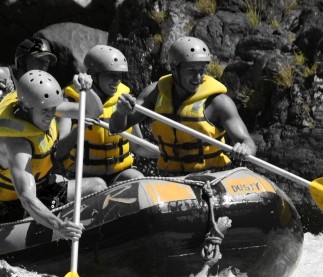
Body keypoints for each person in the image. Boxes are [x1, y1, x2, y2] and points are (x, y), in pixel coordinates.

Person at [0, 70, 107, 240]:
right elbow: (27, 198)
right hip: (5, 207)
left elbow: (94, 112)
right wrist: (59, 225)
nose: (51, 114)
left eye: (54, 108)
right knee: (44, 222)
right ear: (25, 107)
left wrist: (88, 90)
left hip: (40, 190)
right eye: (45, 110)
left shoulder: (41, 106)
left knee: (97, 186)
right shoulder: (16, 143)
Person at [109, 36, 257, 175]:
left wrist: (245, 148)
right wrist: (121, 112)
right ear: (174, 69)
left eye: (201, 71)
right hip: (169, 176)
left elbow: (248, 141)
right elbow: (116, 127)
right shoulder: (155, 93)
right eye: (191, 71)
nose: (198, 78)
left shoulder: (219, 102)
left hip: (211, 176)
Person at [63, 45, 159, 184]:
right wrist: (78, 129)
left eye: (119, 75)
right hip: (83, 177)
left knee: (137, 179)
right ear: (93, 75)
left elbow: (137, 146)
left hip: (119, 173)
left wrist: (167, 153)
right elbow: (60, 152)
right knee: (99, 185)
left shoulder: (123, 100)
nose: (117, 81)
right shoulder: (71, 100)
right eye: (111, 75)